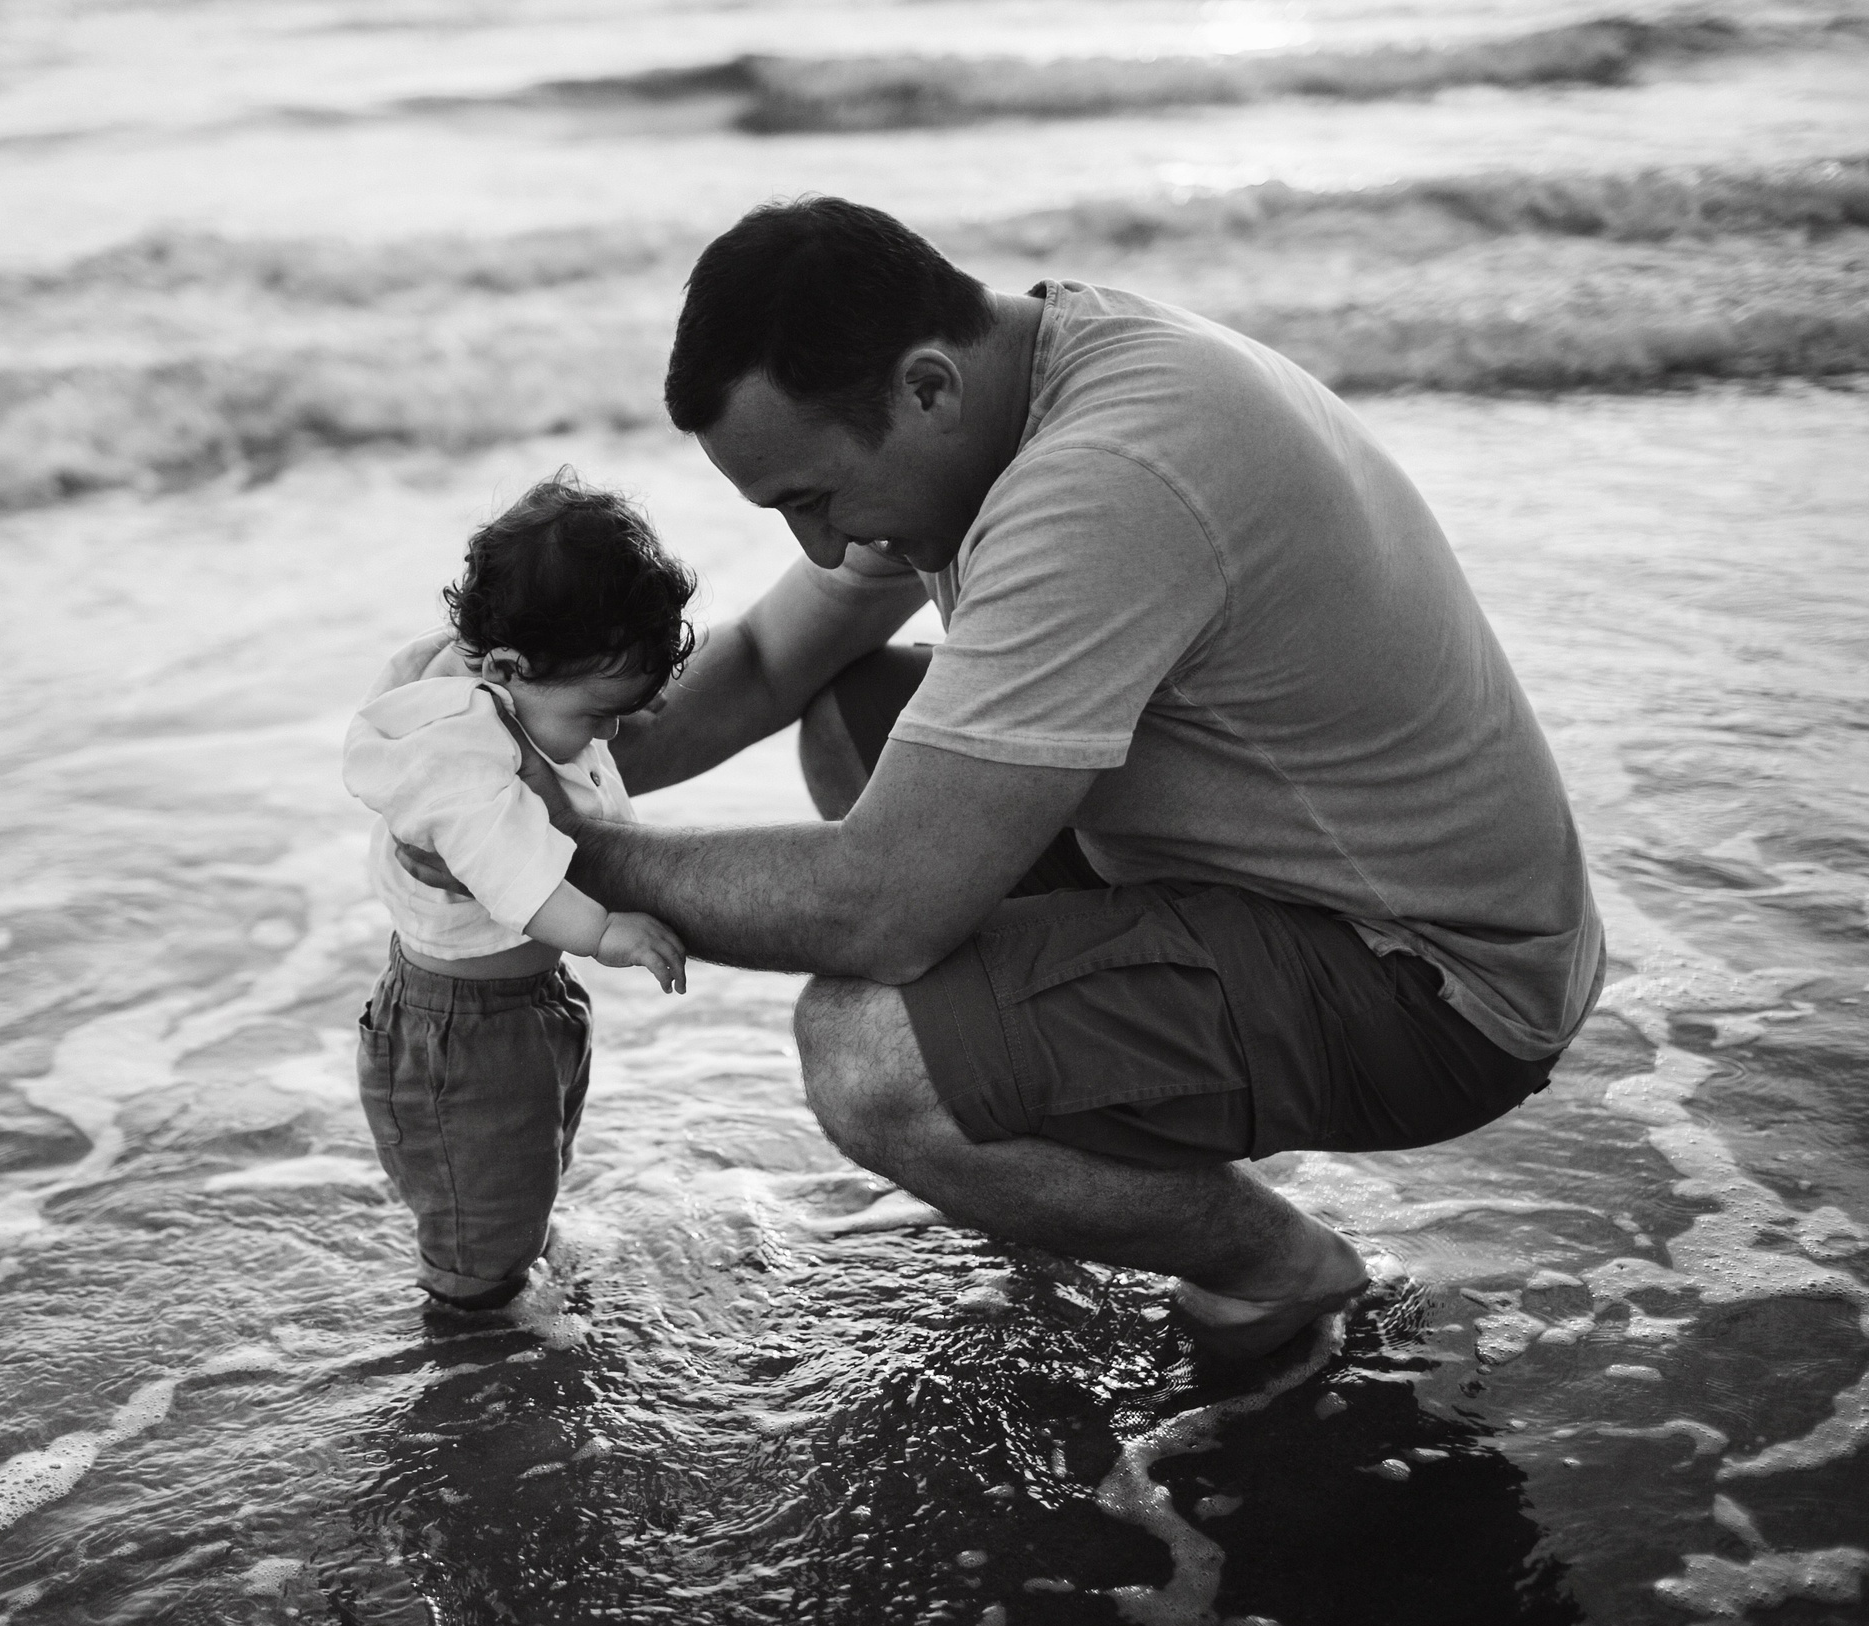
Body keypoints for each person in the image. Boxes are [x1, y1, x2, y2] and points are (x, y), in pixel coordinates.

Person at [418, 197, 1604, 1358]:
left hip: (1434, 985)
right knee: (854, 714)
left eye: (816, 500)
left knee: (872, 1059)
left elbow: (880, 905)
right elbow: (776, 660)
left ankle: (1279, 1270)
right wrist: (500, 731)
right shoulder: (1008, 384)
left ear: (925, 386)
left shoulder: (1107, 478)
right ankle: (1063, 1122)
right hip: (1264, 883)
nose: (823, 548)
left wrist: (530, 844)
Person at [346, 470, 695, 1311]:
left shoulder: (516, 683)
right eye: (596, 712)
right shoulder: (459, 748)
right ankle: (465, 1376)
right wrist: (609, 932)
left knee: (520, 1194)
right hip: (462, 1038)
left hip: (521, 1006)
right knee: (477, 1251)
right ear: (504, 664)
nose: (610, 732)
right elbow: (518, 877)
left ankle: (515, 1291)